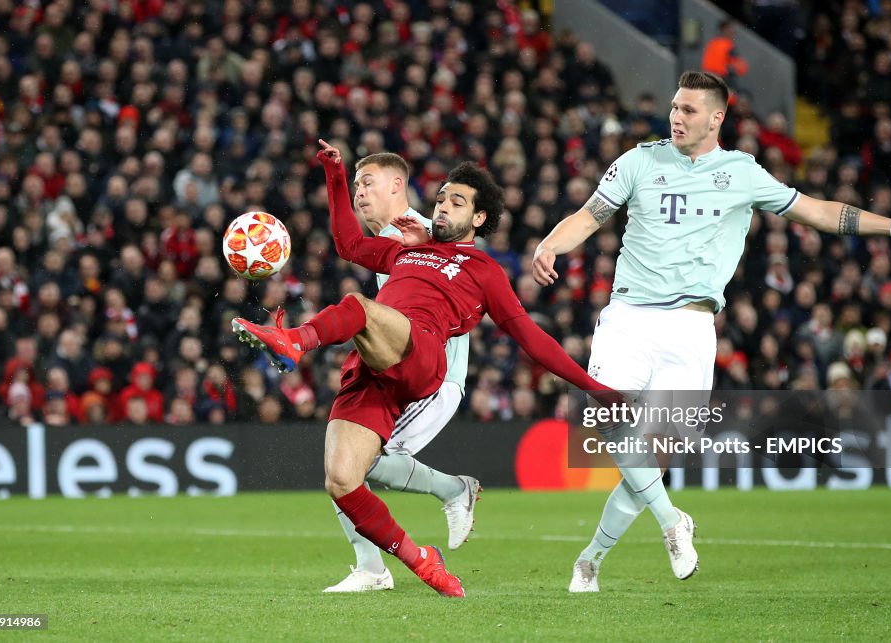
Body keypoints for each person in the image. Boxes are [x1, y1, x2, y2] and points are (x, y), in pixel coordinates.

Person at [531, 71, 891, 593]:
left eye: (687, 110)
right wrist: (550, 243)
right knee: (610, 420)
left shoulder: (742, 173)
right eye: (674, 107)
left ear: (716, 118)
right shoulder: (639, 160)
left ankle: (590, 559)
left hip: (692, 327)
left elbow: (817, 212)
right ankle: (671, 523)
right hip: (629, 316)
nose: (675, 117)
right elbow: (589, 216)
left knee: (658, 457)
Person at [233, 140, 618, 597]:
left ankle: (294, 340)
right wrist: (334, 174)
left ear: (477, 218)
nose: (442, 206)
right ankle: (421, 561)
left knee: (359, 306)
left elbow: (532, 340)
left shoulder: (483, 270)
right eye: (440, 198)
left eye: (457, 201)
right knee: (342, 480)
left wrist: (594, 387)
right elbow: (347, 243)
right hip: (372, 367)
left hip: (421, 355)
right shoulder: (406, 251)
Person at [321, 152, 479, 593]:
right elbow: (346, 240)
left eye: (367, 183)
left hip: (433, 378)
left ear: (396, 186)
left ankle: (451, 490)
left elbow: (468, 268)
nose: (360, 193)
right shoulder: (392, 239)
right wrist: (334, 177)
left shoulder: (427, 233)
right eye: (356, 186)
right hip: (402, 373)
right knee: (344, 464)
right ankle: (371, 567)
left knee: (357, 464)